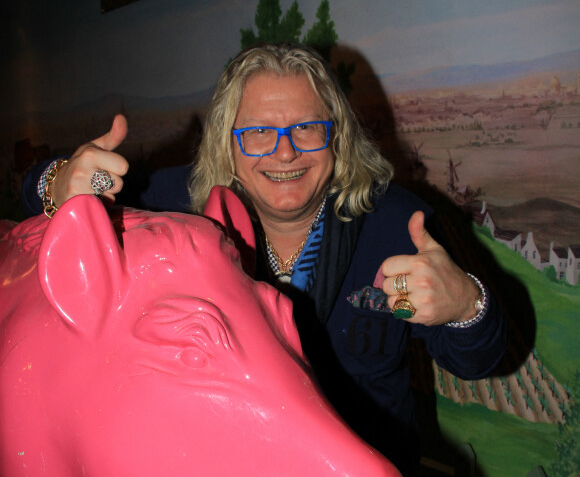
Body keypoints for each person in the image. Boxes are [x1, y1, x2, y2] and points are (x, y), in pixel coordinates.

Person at [22, 43, 506, 475]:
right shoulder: (181, 205)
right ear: (226, 145)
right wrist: (61, 183)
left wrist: (466, 305)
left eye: (308, 129)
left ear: (336, 139)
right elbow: (58, 189)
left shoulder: (398, 225)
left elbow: (479, 361)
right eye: (258, 133)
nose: (285, 152)